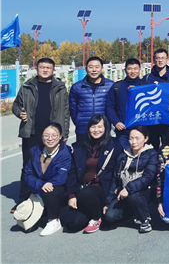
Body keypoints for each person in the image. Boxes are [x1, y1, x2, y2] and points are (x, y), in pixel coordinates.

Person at [12, 58, 70, 212]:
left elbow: (66, 112)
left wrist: (64, 133)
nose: (45, 70)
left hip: (53, 135)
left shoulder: (60, 88)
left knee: (53, 165)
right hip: (32, 132)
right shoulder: (27, 86)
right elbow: (16, 105)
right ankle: (23, 200)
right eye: (42, 67)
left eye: (48, 68)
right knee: (28, 166)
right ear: (36, 69)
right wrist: (20, 113)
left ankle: (51, 199)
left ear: (53, 70)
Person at [65, 115, 122, 233]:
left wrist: (115, 192)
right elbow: (72, 173)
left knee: (87, 193)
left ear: (106, 128)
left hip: (104, 189)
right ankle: (94, 210)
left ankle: (97, 217)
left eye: (100, 127)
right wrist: (71, 195)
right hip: (84, 189)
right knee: (72, 223)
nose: (96, 130)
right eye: (93, 126)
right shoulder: (80, 146)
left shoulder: (115, 145)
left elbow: (119, 171)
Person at [104, 125, 158, 234]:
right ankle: (131, 212)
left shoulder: (151, 154)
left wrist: (128, 189)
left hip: (145, 191)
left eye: (137, 138)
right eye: (131, 138)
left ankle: (146, 219)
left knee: (133, 195)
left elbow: (148, 177)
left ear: (146, 139)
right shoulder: (123, 155)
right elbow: (115, 180)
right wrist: (108, 203)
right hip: (124, 193)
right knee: (110, 216)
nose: (133, 142)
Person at [23, 123, 72, 236]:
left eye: (54, 135)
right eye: (46, 135)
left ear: (60, 136)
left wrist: (43, 186)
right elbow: (28, 174)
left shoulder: (65, 153)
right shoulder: (35, 151)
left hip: (60, 189)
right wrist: (40, 184)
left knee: (49, 191)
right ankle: (46, 210)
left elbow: (61, 177)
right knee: (27, 222)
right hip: (42, 187)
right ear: (42, 136)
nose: (50, 138)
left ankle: (54, 220)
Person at [69, 56, 114, 143]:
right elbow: (73, 109)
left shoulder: (110, 86)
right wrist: (78, 122)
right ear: (86, 69)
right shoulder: (77, 87)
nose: (94, 70)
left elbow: (113, 107)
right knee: (83, 151)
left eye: (97, 67)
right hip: (83, 130)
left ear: (102, 69)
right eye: (91, 67)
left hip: (103, 130)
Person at [105, 58, 143, 151]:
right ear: (125, 70)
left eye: (135, 68)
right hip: (123, 132)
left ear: (139, 70)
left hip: (142, 131)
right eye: (130, 68)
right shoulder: (117, 86)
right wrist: (116, 122)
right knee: (122, 155)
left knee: (141, 157)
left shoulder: (146, 85)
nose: (133, 71)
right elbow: (109, 106)